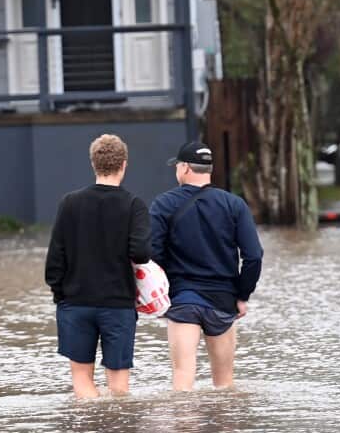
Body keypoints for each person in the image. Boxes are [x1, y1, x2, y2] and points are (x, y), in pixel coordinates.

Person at [149, 141, 263, 391]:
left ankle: (185, 430)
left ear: (186, 168)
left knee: (182, 378)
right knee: (224, 386)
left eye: (177, 165)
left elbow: (152, 255)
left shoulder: (163, 204)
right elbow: (253, 256)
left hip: (182, 300)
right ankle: (225, 430)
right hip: (223, 302)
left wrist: (159, 294)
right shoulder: (234, 205)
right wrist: (242, 296)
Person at [45, 134, 152, 398]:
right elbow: (141, 253)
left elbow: (55, 259)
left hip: (75, 302)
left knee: (82, 384)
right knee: (119, 389)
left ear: (93, 163)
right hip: (117, 304)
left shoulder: (69, 203)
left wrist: (61, 294)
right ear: (124, 165)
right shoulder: (133, 205)